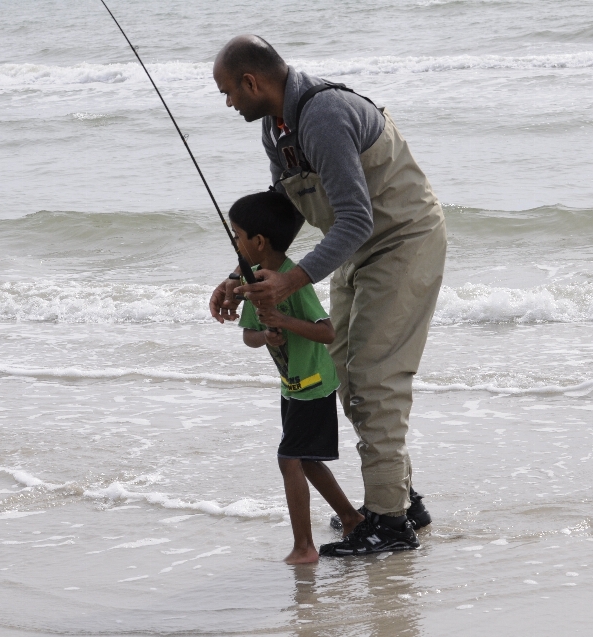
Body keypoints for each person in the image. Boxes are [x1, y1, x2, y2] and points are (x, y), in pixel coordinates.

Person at [209, 35, 446, 556]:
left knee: (374, 379)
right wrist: (240, 275)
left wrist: (291, 281)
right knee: (343, 370)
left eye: (228, 92)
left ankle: (389, 524)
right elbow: (281, 213)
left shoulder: (323, 115)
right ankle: (404, 502)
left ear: (253, 82)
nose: (228, 103)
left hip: (403, 241)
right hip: (357, 250)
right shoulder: (277, 129)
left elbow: (359, 216)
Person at [229, 190, 365, 564]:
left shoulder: (293, 281)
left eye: (236, 235)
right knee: (305, 460)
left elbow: (328, 333)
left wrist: (285, 321)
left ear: (258, 242)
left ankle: (304, 547)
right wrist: (266, 334)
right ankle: (352, 517)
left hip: (315, 386)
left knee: (289, 458)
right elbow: (248, 337)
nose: (234, 243)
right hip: (291, 387)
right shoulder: (253, 281)